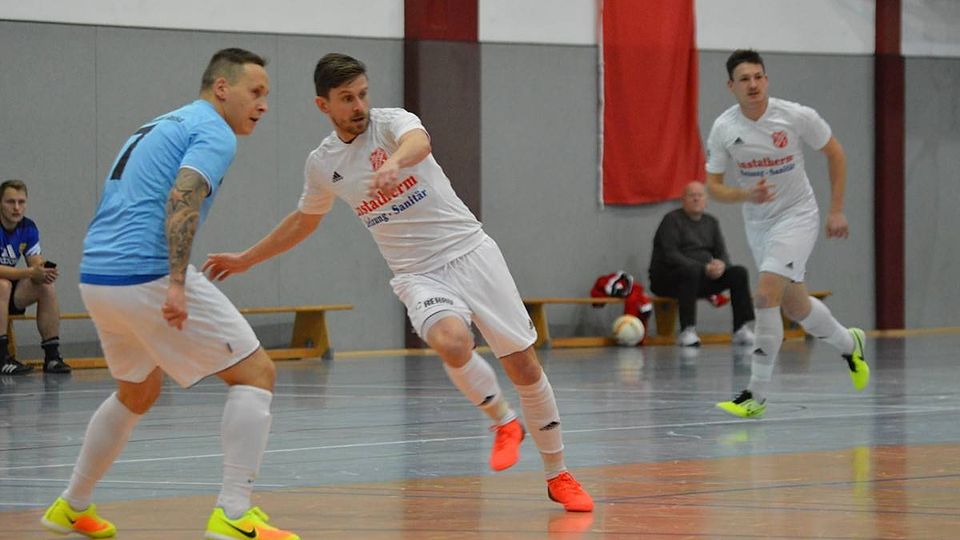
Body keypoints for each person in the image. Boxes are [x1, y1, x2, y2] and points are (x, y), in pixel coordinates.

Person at [203, 53, 594, 513]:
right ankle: (504, 422)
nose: (359, 106)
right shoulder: (323, 163)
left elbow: (419, 143)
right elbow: (304, 221)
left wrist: (393, 164)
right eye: (346, 98)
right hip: (417, 273)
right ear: (323, 105)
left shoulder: (390, 124)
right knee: (451, 343)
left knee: (523, 366)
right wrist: (247, 258)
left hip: (471, 252)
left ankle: (557, 473)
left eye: (362, 94)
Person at [40, 48, 299, 540]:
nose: (264, 104)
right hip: (147, 273)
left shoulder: (163, 123)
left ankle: (71, 506)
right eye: (255, 92)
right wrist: (177, 282)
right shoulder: (214, 131)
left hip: (98, 275)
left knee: (137, 391)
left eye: (267, 95)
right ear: (221, 88)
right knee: (256, 373)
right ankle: (233, 513)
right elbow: (184, 194)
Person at [705, 49, 868, 419]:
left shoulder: (794, 116)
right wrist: (745, 195)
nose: (753, 85)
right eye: (744, 79)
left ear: (766, 80)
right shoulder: (725, 128)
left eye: (758, 77)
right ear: (731, 86)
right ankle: (849, 343)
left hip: (797, 216)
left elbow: (836, 153)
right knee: (795, 306)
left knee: (765, 295)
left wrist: (836, 209)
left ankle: (755, 395)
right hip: (758, 223)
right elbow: (713, 187)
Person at [648, 181, 755, 347]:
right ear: (683, 200)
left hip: (701, 278)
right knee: (690, 271)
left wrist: (721, 265)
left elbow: (721, 253)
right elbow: (671, 255)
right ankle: (687, 330)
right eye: (692, 195)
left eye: (700, 195)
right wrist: (703, 267)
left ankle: (741, 328)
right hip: (669, 279)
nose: (696, 199)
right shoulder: (671, 220)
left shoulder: (711, 222)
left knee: (739, 273)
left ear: (706, 200)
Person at [0, 179, 70, 375]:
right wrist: (30, 272)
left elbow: (35, 264)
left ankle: (52, 357)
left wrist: (43, 273)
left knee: (45, 287)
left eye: (21, 202)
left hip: (6, 294)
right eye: (10, 202)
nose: (16, 208)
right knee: (2, 285)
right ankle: (1, 357)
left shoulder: (28, 227)